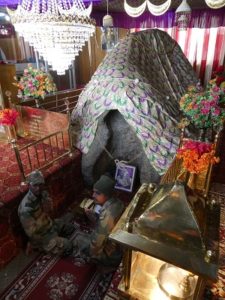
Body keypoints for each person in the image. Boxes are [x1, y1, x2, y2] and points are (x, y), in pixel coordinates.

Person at [18, 170, 74, 256]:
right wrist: (44, 214)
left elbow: (50, 211)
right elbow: (31, 232)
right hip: (41, 236)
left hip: (49, 225)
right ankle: (36, 246)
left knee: (70, 228)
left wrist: (49, 204)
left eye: (40, 184)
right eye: (35, 185)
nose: (38, 188)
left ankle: (55, 238)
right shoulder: (25, 208)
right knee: (69, 246)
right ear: (29, 185)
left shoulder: (42, 193)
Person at [73, 174, 124, 268]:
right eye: (93, 192)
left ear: (107, 195)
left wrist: (89, 252)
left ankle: (105, 266)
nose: (93, 195)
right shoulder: (118, 203)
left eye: (97, 193)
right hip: (118, 247)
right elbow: (107, 228)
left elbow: (96, 245)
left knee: (77, 239)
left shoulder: (106, 215)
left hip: (112, 256)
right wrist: (93, 218)